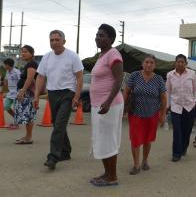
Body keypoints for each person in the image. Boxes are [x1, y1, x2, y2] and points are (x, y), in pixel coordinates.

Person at [34, 30, 83, 170]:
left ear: (64, 41)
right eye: (51, 40)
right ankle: (66, 151)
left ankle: (53, 157)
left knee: (59, 124)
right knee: (57, 124)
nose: (54, 42)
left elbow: (79, 77)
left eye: (57, 39)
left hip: (68, 93)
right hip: (52, 94)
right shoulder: (47, 57)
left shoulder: (72, 56)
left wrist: (76, 97)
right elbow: (41, 77)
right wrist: (36, 95)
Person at [88, 24, 124, 187]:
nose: (97, 37)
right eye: (97, 35)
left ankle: (113, 176)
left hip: (110, 104)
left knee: (108, 139)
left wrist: (108, 102)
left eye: (102, 35)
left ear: (111, 39)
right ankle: (107, 173)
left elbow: (118, 79)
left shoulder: (113, 53)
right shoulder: (102, 55)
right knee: (101, 139)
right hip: (99, 105)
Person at [124, 54, 167, 175]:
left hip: (152, 113)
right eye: (147, 62)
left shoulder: (158, 79)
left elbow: (164, 98)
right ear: (143, 64)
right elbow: (126, 91)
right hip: (136, 113)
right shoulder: (135, 75)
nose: (149, 64)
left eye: (151, 63)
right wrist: (123, 108)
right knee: (135, 139)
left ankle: (145, 161)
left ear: (155, 65)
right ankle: (136, 164)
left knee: (148, 140)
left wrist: (163, 115)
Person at [166, 54, 196, 162]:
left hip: (189, 107)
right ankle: (176, 154)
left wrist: (195, 101)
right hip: (176, 107)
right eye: (178, 61)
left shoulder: (192, 74)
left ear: (186, 63)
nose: (180, 63)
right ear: (175, 63)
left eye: (182, 62)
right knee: (177, 131)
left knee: (187, 130)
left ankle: (184, 148)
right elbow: (168, 91)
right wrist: (167, 105)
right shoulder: (170, 75)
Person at [14, 45, 38, 144]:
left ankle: (29, 137)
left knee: (28, 115)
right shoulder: (28, 64)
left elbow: (30, 78)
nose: (23, 53)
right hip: (26, 92)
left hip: (27, 93)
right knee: (27, 115)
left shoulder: (31, 64)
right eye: (22, 52)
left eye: (25, 52)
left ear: (31, 54)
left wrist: (23, 91)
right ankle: (27, 136)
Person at [3, 58, 21, 130]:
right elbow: (6, 81)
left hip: (17, 92)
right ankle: (15, 118)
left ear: (8, 64)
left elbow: (21, 81)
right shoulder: (7, 72)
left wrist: (21, 91)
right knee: (6, 106)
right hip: (10, 92)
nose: (4, 66)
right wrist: (3, 90)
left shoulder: (17, 72)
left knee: (16, 108)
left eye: (5, 65)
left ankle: (16, 124)